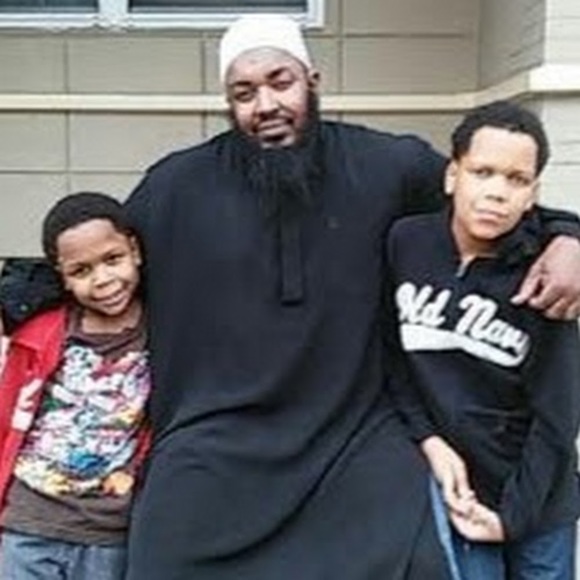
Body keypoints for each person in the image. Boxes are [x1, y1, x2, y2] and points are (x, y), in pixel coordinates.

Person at [2, 14, 580, 580]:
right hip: (212, 436)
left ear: (313, 81)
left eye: (281, 82)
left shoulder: (390, 166)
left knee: (412, 540)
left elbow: (486, 201)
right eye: (244, 93)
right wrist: (17, 299)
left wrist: (567, 236)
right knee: (162, 548)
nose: (266, 105)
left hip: (357, 431)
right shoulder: (176, 187)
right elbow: (99, 260)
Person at [385, 101, 580, 579]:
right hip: (460, 490)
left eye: (516, 179)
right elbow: (392, 361)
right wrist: (429, 439)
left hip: (538, 496)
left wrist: (513, 517)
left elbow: (558, 413)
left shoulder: (545, 273)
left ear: (532, 194)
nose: (496, 192)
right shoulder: (406, 243)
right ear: (452, 176)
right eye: (482, 172)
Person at [0, 192, 151, 580]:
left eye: (112, 259)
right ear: (63, 276)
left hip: (109, 530)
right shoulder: (39, 335)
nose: (103, 280)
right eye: (81, 271)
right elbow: (5, 417)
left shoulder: (163, 331)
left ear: (134, 250)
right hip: (29, 523)